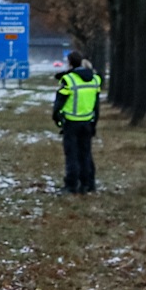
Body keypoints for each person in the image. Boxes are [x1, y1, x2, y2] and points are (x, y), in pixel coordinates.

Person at [53, 50, 102, 193]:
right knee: (86, 153)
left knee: (72, 154)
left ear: (69, 63)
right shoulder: (95, 79)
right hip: (87, 121)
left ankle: (72, 184)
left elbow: (59, 103)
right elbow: (96, 104)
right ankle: (87, 184)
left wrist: (57, 118)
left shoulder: (68, 80)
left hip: (71, 122)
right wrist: (94, 122)